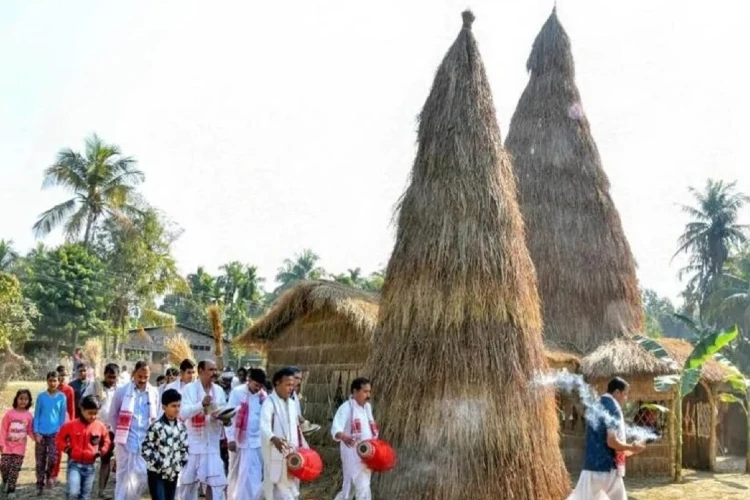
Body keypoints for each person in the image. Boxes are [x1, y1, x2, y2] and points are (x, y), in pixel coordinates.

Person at [568, 377, 647, 500]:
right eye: (625, 394)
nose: (626, 399)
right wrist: (632, 447)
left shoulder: (596, 405)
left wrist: (631, 449)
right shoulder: (613, 408)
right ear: (617, 392)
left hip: (590, 469)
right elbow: (612, 441)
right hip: (607, 469)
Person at [178, 359, 229, 500]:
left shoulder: (218, 391)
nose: (214, 373)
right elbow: (183, 414)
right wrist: (201, 404)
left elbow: (223, 411)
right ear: (200, 371)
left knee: (216, 484)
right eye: (211, 370)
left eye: (215, 370)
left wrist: (225, 418)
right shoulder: (189, 389)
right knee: (188, 486)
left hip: (212, 446)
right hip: (194, 446)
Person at [109, 360, 160, 500]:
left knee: (141, 476)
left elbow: (156, 416)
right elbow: (113, 415)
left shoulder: (154, 392)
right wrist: (121, 433)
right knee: (122, 476)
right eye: (140, 376)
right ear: (133, 374)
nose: (142, 380)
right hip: (125, 442)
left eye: (146, 377)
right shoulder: (122, 392)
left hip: (145, 442)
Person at [259, 367, 309, 500]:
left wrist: (305, 448)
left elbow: (297, 429)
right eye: (287, 385)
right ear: (277, 383)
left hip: (292, 452)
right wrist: (273, 438)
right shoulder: (268, 403)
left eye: (292, 385)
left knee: (275, 488)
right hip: (275, 453)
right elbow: (264, 425)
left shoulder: (292, 404)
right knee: (283, 490)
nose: (291, 388)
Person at [56, 396, 111, 500]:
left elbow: (107, 440)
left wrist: (101, 451)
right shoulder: (71, 425)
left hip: (90, 466)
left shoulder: (100, 426)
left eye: (95, 413)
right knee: (73, 492)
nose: (93, 416)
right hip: (74, 465)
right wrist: (67, 449)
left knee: (85, 496)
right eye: (90, 413)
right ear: (82, 410)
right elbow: (59, 439)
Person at [331, 377, 377, 500]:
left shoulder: (367, 407)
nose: (368, 395)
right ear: (355, 392)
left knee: (350, 487)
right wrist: (343, 437)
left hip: (366, 453)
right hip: (351, 454)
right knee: (362, 486)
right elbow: (336, 428)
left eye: (369, 391)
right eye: (365, 392)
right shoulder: (346, 408)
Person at [226, 369, 267, 500]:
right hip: (238, 442)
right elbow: (229, 417)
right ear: (249, 380)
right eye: (256, 385)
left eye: (260, 386)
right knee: (235, 474)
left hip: (256, 443)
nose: (258, 388)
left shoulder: (263, 396)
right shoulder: (237, 393)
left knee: (251, 476)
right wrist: (230, 438)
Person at [142, 389, 189, 500]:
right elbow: (146, 449)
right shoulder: (156, 427)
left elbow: (185, 449)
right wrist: (160, 464)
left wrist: (178, 465)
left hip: (173, 473)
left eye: (178, 406)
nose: (177, 409)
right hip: (156, 474)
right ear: (164, 407)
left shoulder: (181, 427)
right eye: (173, 406)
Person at [83, 363, 119, 497]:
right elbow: (84, 400)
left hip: (111, 430)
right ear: (104, 374)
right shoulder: (95, 386)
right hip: (95, 428)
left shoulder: (119, 390)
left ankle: (101, 490)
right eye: (109, 376)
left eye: (113, 377)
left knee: (106, 459)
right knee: (90, 457)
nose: (111, 380)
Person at [34, 371, 68, 495]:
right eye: (50, 380)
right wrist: (36, 432)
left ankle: (49, 475)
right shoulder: (41, 396)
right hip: (41, 432)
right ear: (47, 381)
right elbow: (36, 415)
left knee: (53, 458)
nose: (52, 383)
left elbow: (62, 416)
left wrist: (61, 432)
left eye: (55, 380)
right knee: (40, 460)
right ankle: (39, 483)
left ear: (59, 381)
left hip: (55, 432)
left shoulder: (62, 397)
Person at [0, 389, 34, 498]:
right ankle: (5, 480)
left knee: (15, 468)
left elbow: (30, 430)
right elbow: (3, 429)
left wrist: (35, 437)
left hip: (20, 448)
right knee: (4, 466)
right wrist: (2, 444)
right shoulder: (10, 414)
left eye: (26, 399)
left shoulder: (29, 416)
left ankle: (11, 490)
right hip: (7, 447)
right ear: (16, 399)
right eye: (21, 398)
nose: (23, 401)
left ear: (29, 401)